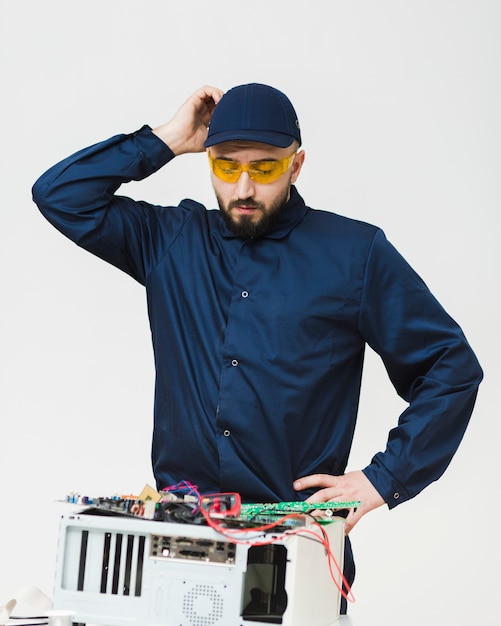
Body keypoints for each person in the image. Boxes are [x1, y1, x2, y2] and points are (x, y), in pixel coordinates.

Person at [32, 83, 483, 613]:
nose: (243, 187)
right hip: (180, 551)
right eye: (227, 167)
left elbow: (450, 367)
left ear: (296, 165)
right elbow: (59, 196)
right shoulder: (170, 241)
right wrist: (168, 139)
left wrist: (385, 479)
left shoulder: (355, 255)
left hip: (297, 556)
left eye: (264, 169)